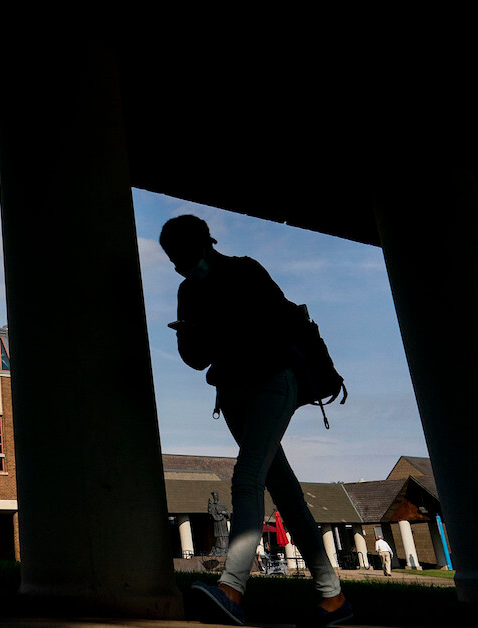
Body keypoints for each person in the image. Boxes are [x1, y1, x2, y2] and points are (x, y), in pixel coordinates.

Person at [159, 215, 352, 627]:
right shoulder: (187, 290)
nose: (179, 266)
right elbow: (195, 360)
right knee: (285, 492)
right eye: (173, 260)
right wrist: (188, 333)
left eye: (182, 256)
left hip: (272, 383)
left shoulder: (245, 270)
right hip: (232, 394)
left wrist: (220, 325)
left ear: (204, 244)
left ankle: (232, 589)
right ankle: (333, 597)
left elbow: (279, 325)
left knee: (247, 478)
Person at [209, 492, 230, 556]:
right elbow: (211, 515)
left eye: (216, 496)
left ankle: (224, 549)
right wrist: (209, 508)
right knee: (218, 536)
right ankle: (219, 548)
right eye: (214, 496)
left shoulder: (222, 505)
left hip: (223, 522)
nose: (215, 497)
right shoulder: (212, 506)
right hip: (217, 523)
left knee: (224, 535)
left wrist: (222, 512)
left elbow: (228, 513)